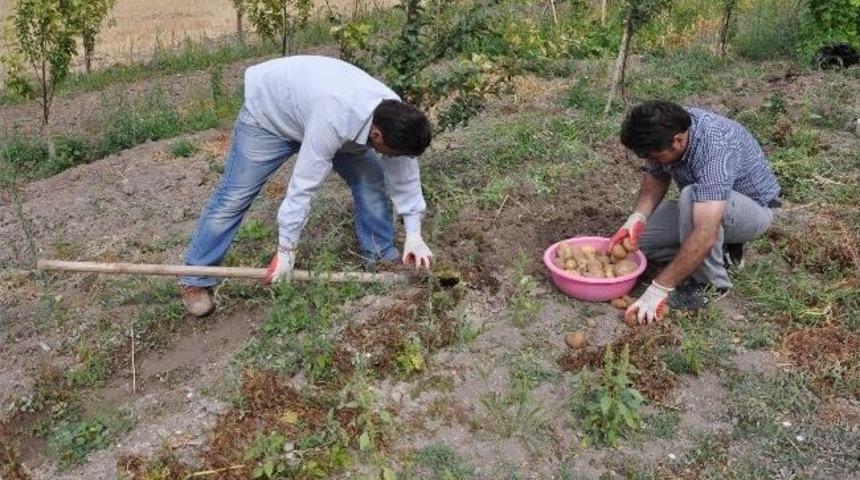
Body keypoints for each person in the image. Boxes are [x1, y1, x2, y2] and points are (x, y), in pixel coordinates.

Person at [179, 55, 434, 317]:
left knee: (371, 182)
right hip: (270, 114)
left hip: (323, 115)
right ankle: (195, 277)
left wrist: (414, 235)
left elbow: (405, 176)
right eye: (392, 153)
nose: (392, 158)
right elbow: (302, 188)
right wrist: (286, 251)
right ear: (377, 136)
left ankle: (380, 257)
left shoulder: (396, 118)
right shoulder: (334, 116)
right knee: (234, 197)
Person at [610, 100, 781, 324]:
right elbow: (656, 177)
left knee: (692, 196)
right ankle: (720, 253)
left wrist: (660, 288)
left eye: (655, 156)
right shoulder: (665, 129)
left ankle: (710, 284)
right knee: (639, 245)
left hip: (752, 211)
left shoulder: (715, 148)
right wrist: (636, 219)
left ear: (678, 141)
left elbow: (704, 230)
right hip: (706, 205)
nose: (651, 161)